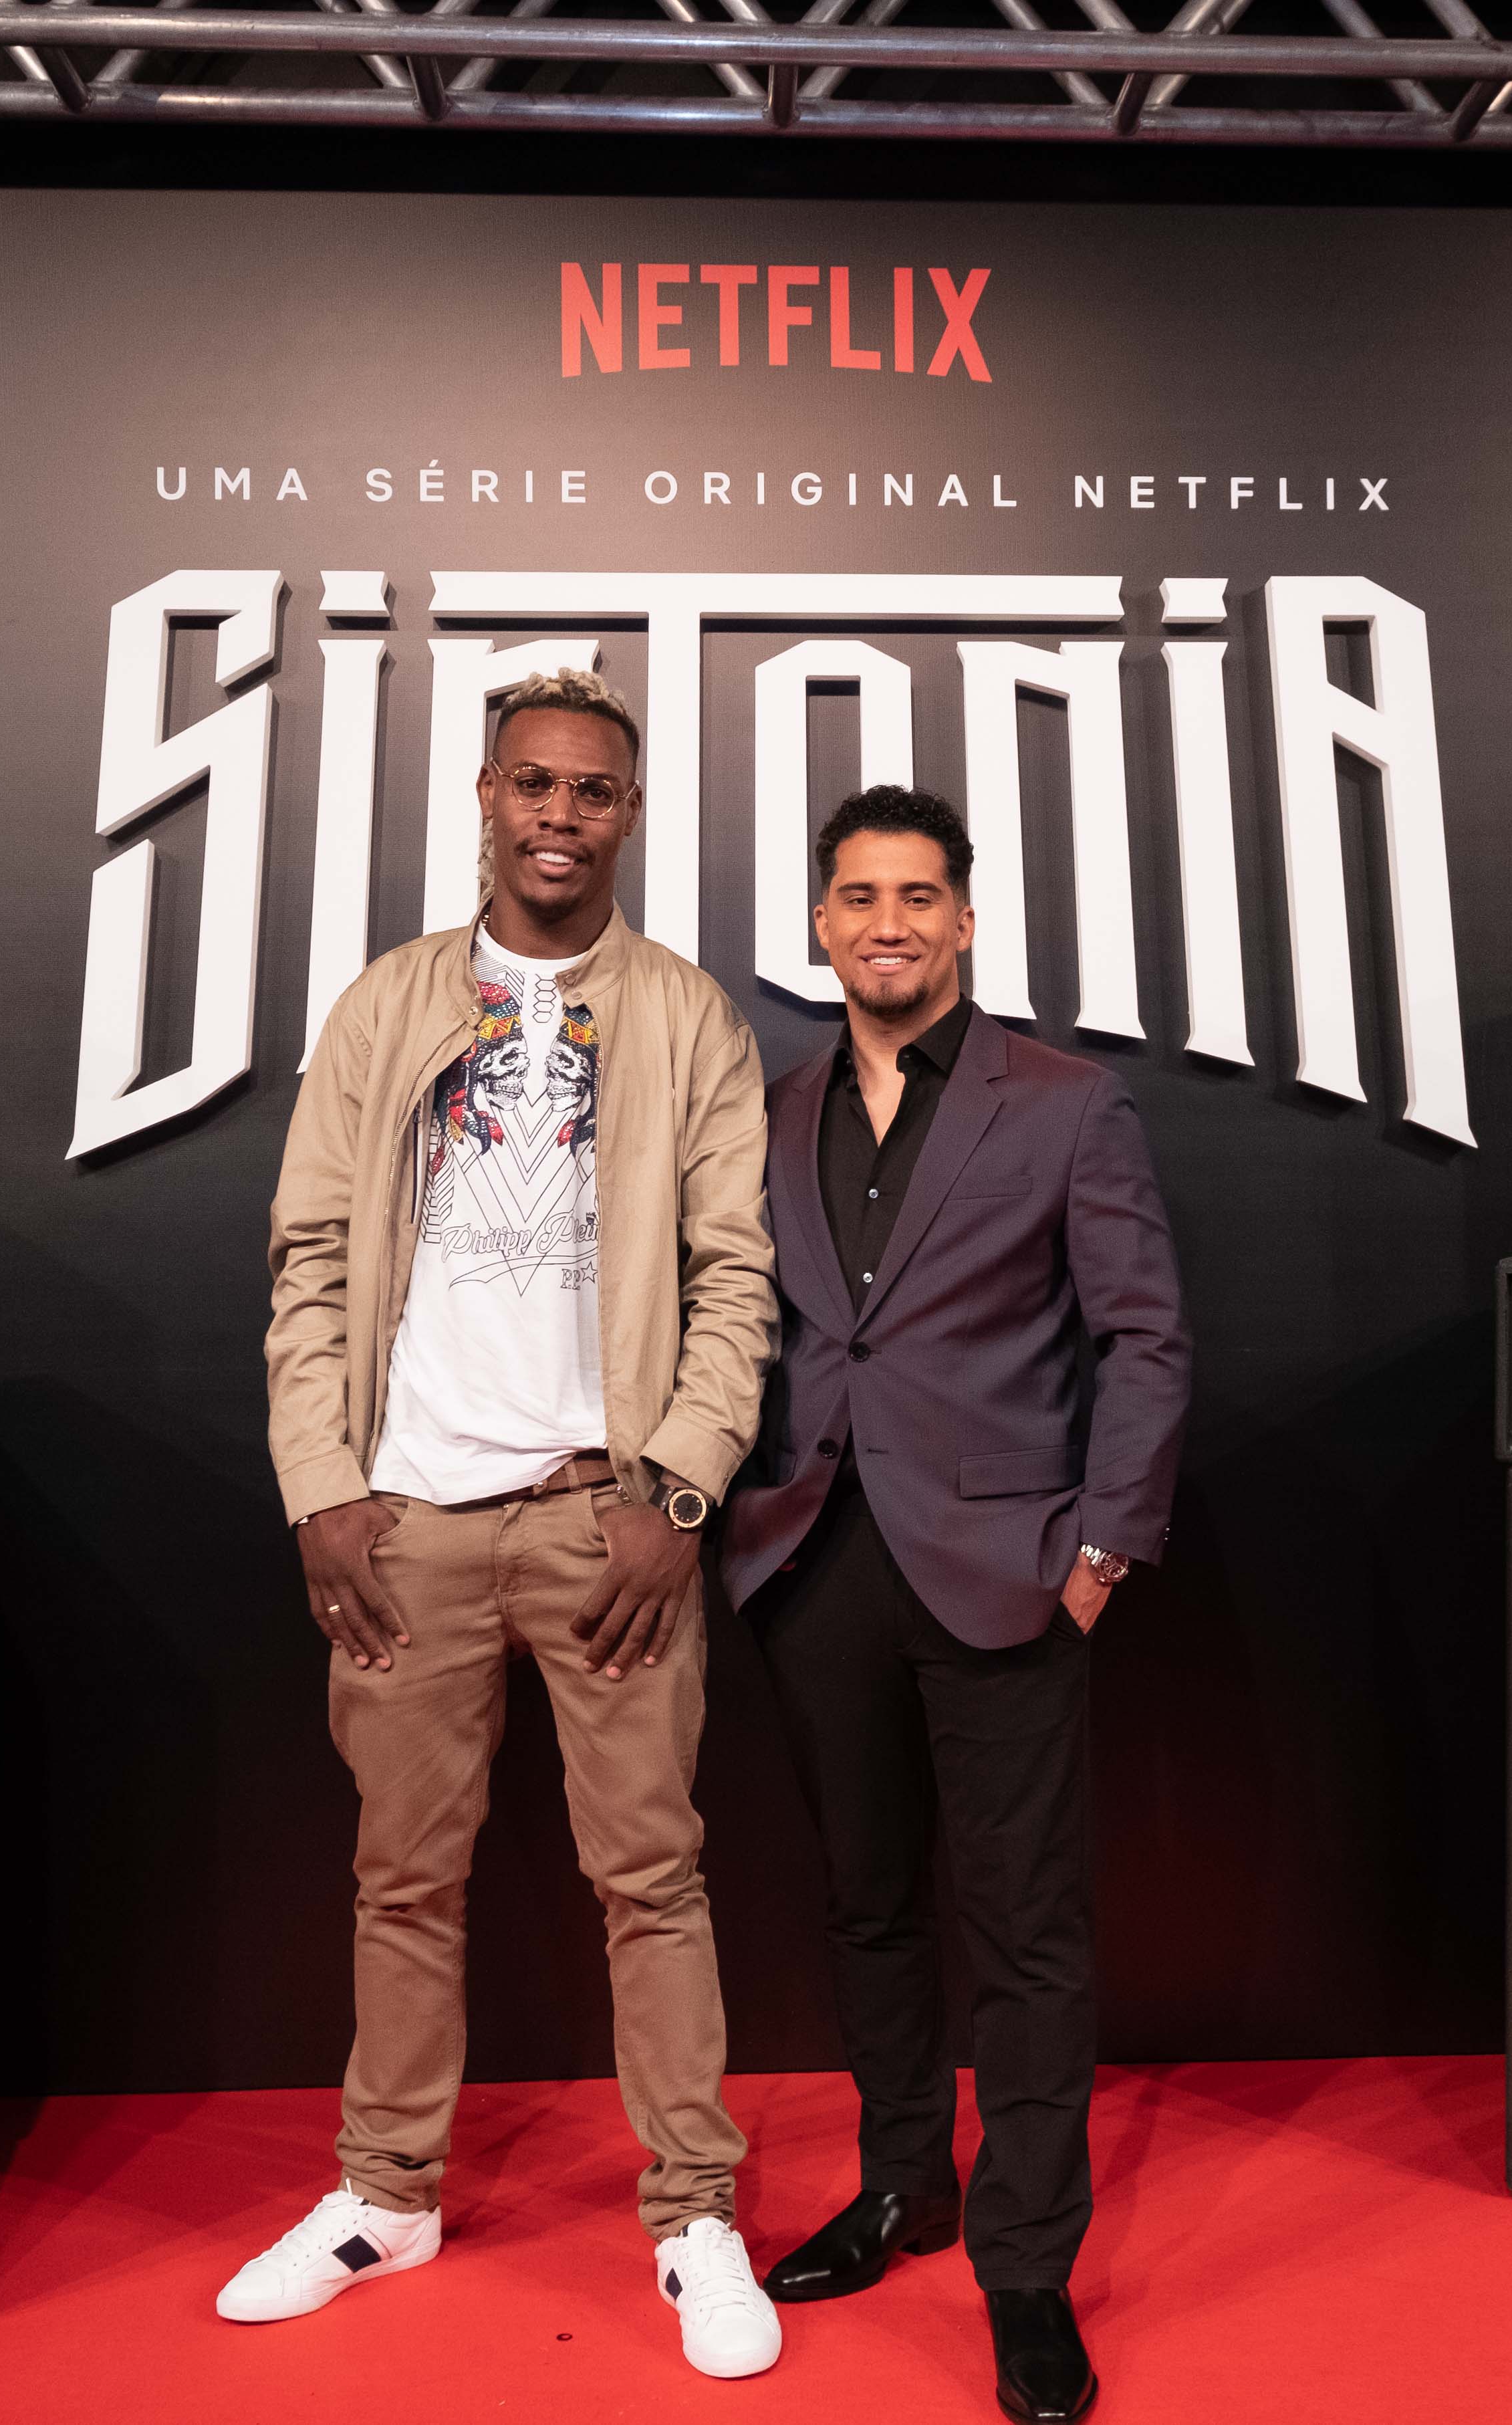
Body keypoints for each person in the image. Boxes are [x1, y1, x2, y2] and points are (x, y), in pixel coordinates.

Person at [231, 667, 786, 2382]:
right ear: (485, 795)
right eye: (532, 783)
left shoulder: (687, 1016)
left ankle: (692, 2210)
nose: (559, 814)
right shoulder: (387, 1002)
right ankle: (384, 2191)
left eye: (591, 791)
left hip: (600, 1520)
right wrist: (322, 1485)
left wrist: (675, 1489)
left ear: (629, 814)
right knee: (401, 1878)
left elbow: (735, 1278)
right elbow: (308, 1260)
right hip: (406, 1517)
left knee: (652, 1875)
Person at [724, 786, 1190, 2425]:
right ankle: (901, 2183)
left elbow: (1144, 1338)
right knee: (867, 1906)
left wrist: (1102, 1550)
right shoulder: (767, 1111)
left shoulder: (1064, 1104)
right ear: (819, 925)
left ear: (966, 918)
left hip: (1007, 1570)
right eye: (857, 897)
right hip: (807, 1562)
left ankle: (1025, 2270)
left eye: (916, 895)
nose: (887, 923)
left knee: (1026, 1932)